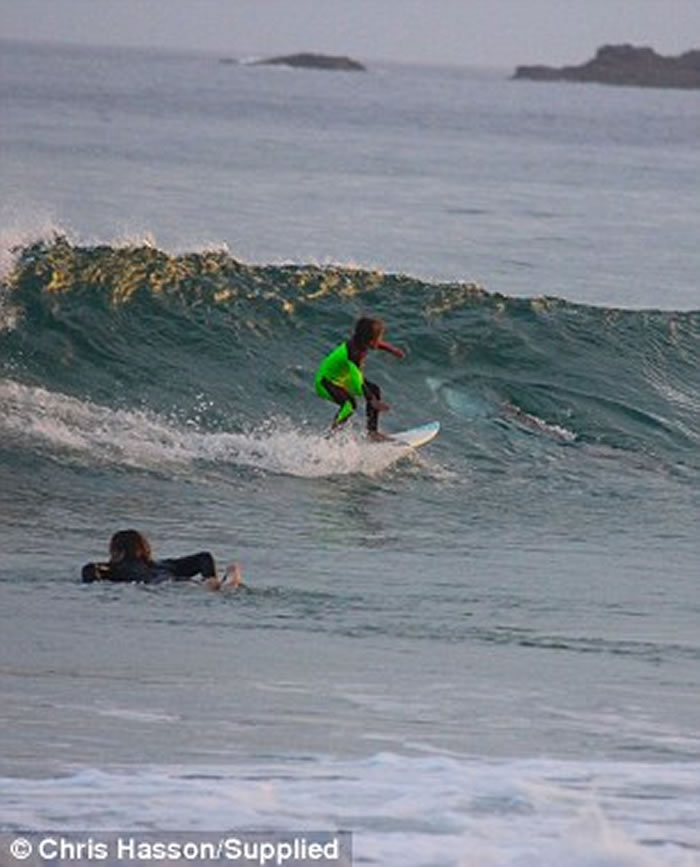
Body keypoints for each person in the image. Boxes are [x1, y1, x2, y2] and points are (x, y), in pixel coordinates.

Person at [314, 316, 405, 439]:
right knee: (349, 404)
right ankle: (330, 438)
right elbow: (357, 381)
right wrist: (372, 400)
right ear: (368, 341)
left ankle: (372, 433)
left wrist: (392, 350)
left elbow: (376, 344)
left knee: (374, 389)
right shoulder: (354, 353)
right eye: (378, 338)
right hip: (325, 382)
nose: (380, 341)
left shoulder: (360, 342)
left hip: (341, 378)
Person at [81, 529, 244, 590]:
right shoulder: (165, 564)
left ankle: (215, 586)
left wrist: (98, 582)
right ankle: (220, 581)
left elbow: (89, 570)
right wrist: (210, 577)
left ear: (118, 552)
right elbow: (204, 557)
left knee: (197, 590)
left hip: (163, 585)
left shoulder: (118, 569)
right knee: (209, 587)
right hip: (179, 580)